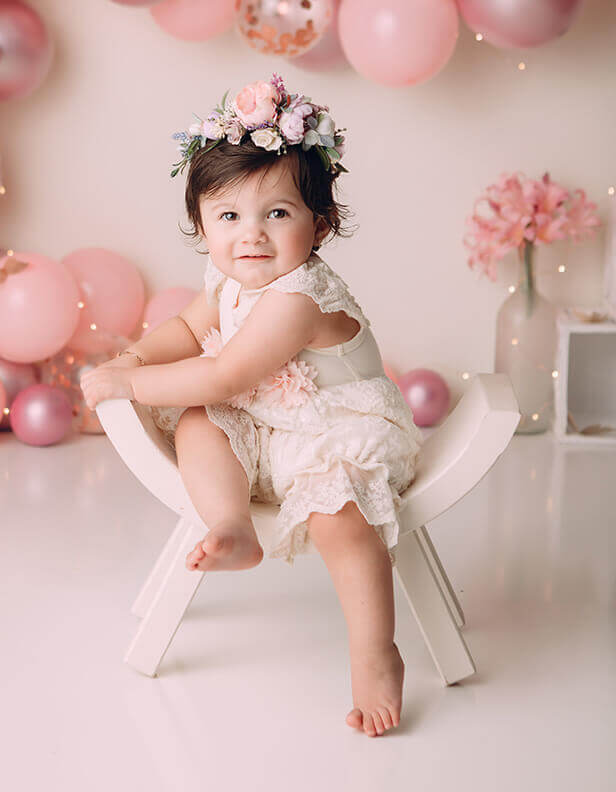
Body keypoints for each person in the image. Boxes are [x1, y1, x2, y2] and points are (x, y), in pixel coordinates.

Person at [80, 74, 424, 737]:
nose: (252, 236)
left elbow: (223, 371)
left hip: (337, 434)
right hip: (268, 425)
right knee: (201, 424)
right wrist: (134, 359)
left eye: (278, 214)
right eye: (229, 216)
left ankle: (375, 652)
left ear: (319, 225)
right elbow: (185, 332)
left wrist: (130, 388)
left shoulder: (297, 298)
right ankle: (231, 523)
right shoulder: (229, 275)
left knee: (339, 518)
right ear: (202, 224)